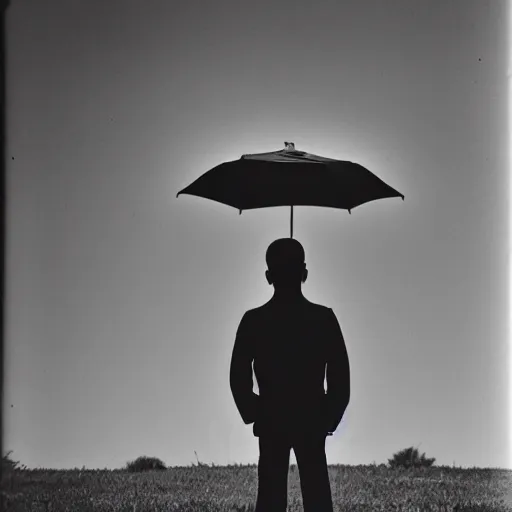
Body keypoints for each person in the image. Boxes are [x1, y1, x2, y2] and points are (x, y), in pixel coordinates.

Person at [229, 238, 350, 512]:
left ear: (268, 276)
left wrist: (255, 411)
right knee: (317, 496)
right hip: (311, 417)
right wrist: (328, 416)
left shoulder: (254, 321)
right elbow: (341, 378)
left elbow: (238, 377)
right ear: (304, 273)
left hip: (272, 418)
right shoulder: (323, 319)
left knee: (270, 498)